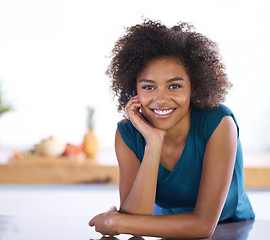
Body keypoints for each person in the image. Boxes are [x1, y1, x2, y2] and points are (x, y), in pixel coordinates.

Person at [89, 19, 255, 239]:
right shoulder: (127, 134)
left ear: (193, 86)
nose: (161, 99)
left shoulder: (219, 123)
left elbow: (204, 226)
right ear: (134, 89)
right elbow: (133, 218)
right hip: (162, 228)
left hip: (231, 228)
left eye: (174, 86)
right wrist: (153, 142)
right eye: (149, 87)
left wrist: (115, 221)